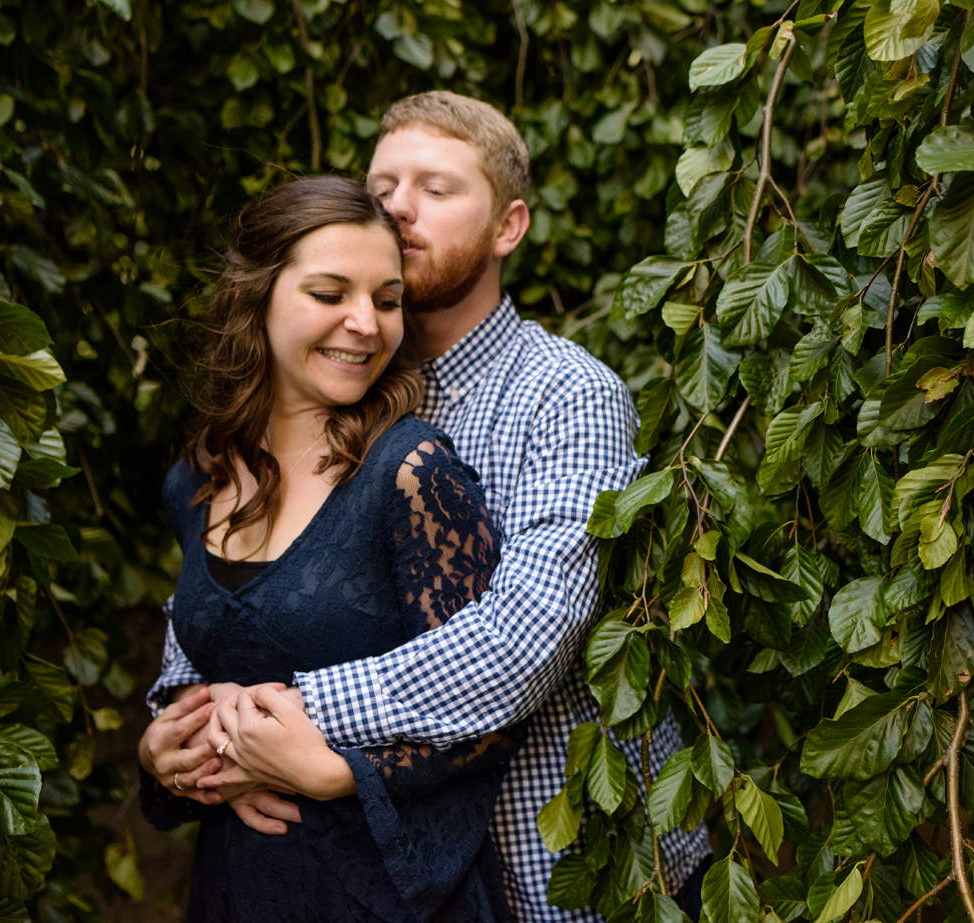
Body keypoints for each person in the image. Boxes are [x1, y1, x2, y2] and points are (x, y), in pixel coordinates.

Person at [142, 92, 712, 922]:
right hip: (353, 872)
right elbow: (244, 580)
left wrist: (293, 722)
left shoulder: (566, 395)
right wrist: (195, 728)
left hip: (553, 869)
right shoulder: (330, 378)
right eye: (384, 188)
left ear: (509, 226)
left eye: (437, 188)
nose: (400, 208)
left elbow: (522, 637)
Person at [138, 175, 517, 922]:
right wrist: (171, 758)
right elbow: (203, 668)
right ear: (258, 296)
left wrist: (340, 769)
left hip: (380, 895)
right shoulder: (196, 477)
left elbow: (488, 719)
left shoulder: (411, 472)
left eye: (386, 298)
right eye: (329, 293)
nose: (366, 324)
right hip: (236, 885)